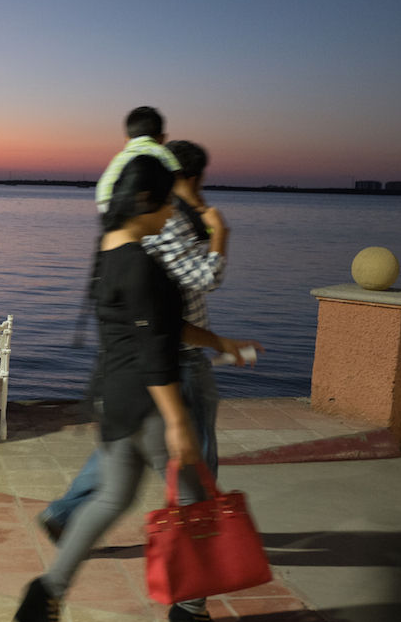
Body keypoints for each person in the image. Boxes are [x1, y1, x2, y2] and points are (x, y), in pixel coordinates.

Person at [14, 156, 256, 622]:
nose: (172, 211)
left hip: (115, 397)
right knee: (197, 504)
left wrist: (219, 342)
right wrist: (176, 421)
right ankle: (190, 619)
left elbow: (161, 324)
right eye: (167, 200)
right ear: (146, 200)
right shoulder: (139, 262)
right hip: (145, 402)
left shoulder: (111, 252)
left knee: (110, 498)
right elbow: (154, 349)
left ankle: (44, 596)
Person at [38, 140, 247, 541]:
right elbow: (205, 280)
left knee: (122, 452)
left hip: (154, 357)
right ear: (184, 179)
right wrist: (220, 232)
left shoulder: (158, 221)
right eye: (195, 182)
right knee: (193, 455)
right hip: (176, 357)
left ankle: (64, 515)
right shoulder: (166, 222)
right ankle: (203, 541)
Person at [95, 106, 203, 214]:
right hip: (132, 204)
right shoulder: (160, 151)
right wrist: (199, 207)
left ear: (126, 139)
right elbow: (179, 183)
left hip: (104, 199)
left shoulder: (119, 157)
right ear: (162, 138)